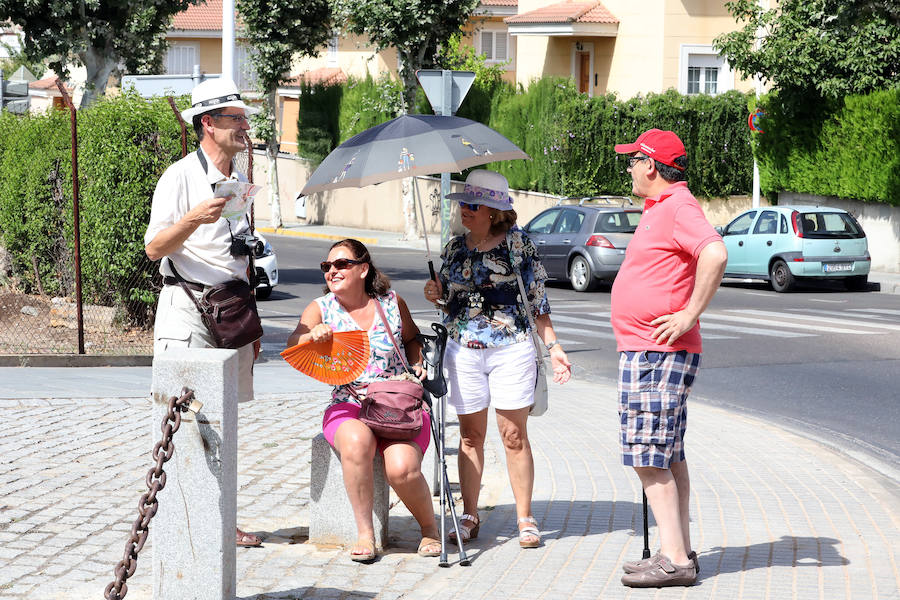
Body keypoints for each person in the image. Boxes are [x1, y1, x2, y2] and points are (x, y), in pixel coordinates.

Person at [422, 169, 571, 549]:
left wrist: (554, 348)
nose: (465, 211)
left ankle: (525, 517)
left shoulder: (519, 245)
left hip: (511, 349)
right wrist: (435, 294)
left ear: (493, 210)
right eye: (463, 204)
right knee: (471, 436)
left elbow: (538, 302)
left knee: (513, 435)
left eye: (473, 205)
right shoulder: (455, 248)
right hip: (463, 351)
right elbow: (449, 302)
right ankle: (469, 514)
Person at [144, 77, 263, 548]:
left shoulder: (241, 178)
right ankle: (186, 521)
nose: (244, 125)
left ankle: (222, 519)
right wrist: (194, 217)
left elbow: (239, 254)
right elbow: (154, 249)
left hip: (231, 311)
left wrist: (251, 323)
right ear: (207, 123)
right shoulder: (178, 176)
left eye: (244, 118)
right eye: (235, 118)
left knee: (224, 420)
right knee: (187, 421)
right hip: (187, 307)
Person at [610, 129, 728, 587]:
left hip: (658, 350)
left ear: (651, 166)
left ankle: (675, 560)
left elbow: (714, 253)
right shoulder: (659, 206)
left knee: (648, 455)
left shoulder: (678, 205)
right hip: (648, 349)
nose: (629, 167)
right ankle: (673, 548)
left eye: (633, 160)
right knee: (667, 453)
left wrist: (688, 314)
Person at [287, 239, 441, 562]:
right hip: (349, 401)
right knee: (357, 441)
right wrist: (310, 337)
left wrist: (417, 363)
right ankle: (365, 533)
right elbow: (294, 341)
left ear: (363, 269)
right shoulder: (321, 308)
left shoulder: (391, 303)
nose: (332, 271)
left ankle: (429, 528)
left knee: (401, 468)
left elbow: (412, 338)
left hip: (397, 401)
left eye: (341, 264)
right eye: (327, 266)